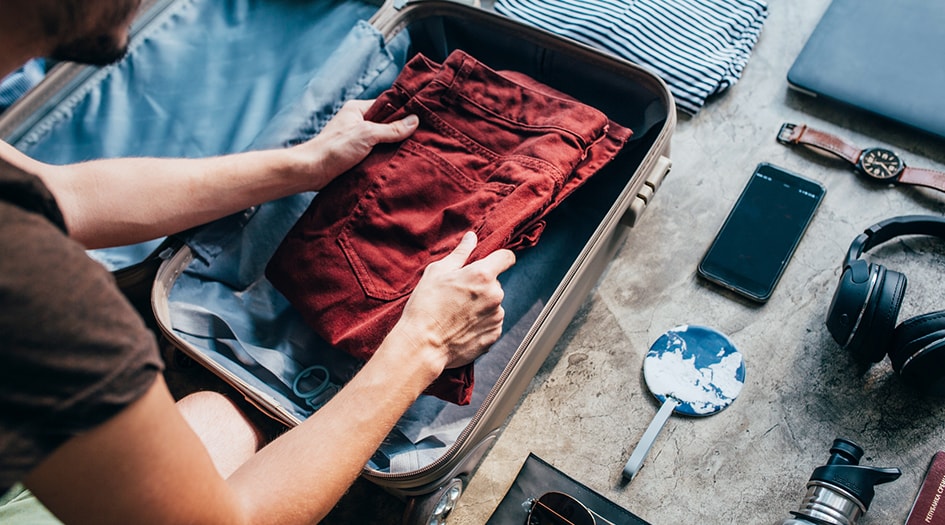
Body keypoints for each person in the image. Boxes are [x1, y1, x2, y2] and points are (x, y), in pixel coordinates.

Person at [0, 1, 515, 523]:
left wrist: (304, 164)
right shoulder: (38, 293)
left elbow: (64, 195)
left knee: (218, 419)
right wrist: (422, 345)